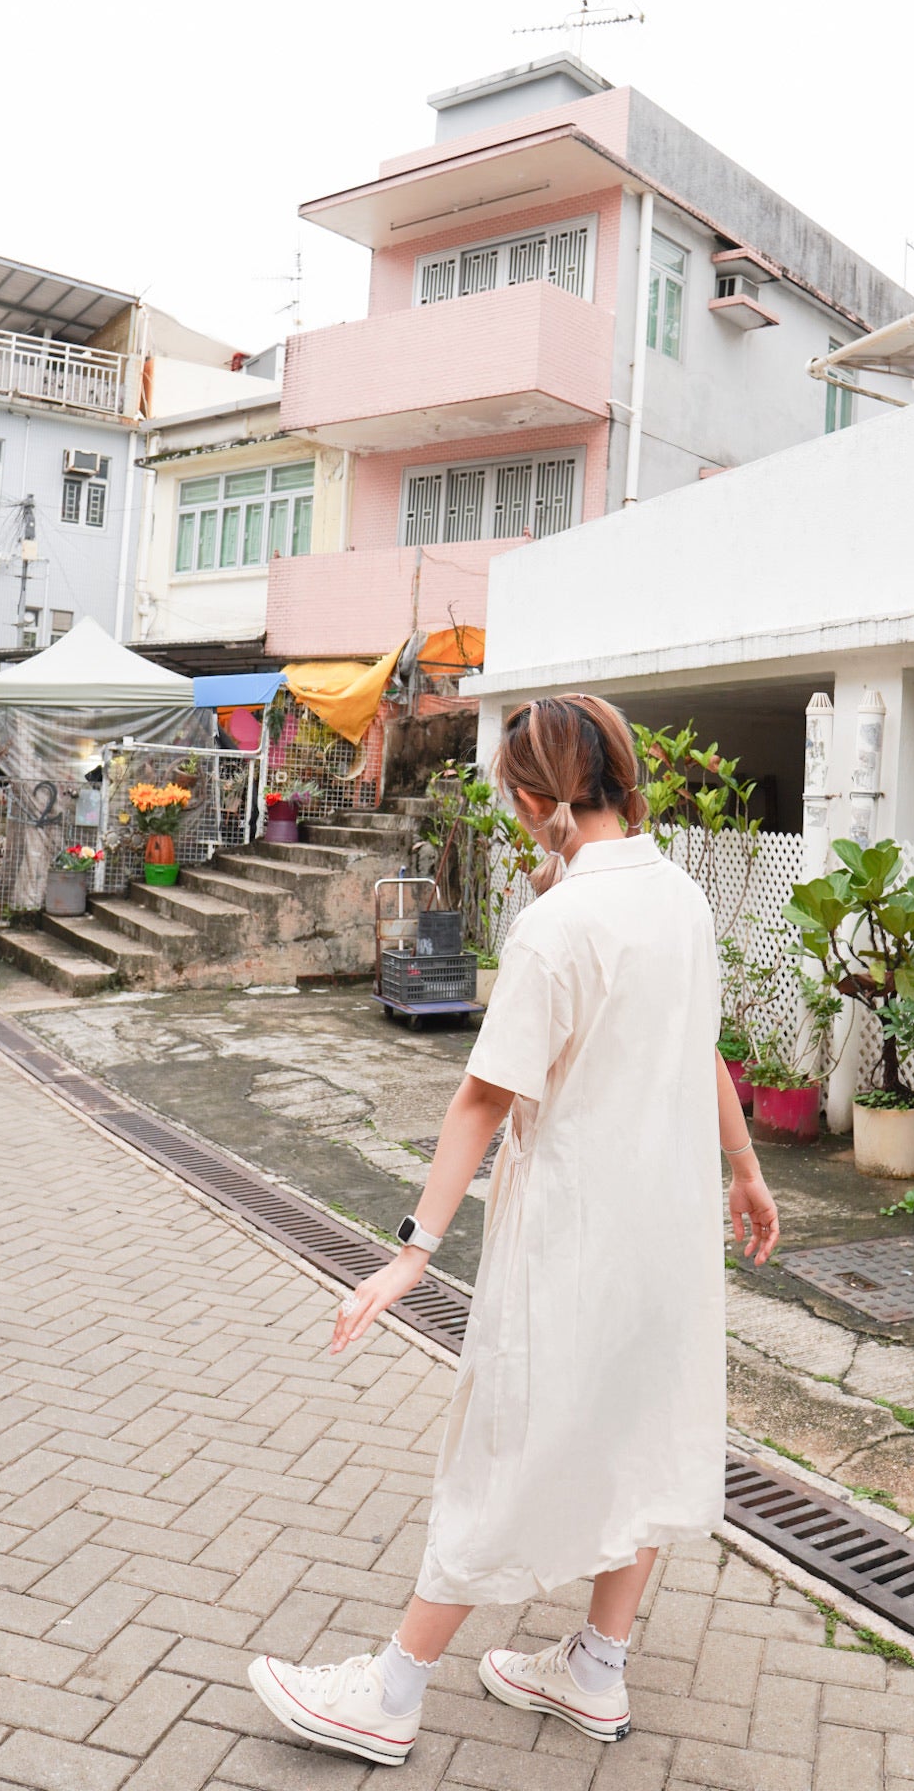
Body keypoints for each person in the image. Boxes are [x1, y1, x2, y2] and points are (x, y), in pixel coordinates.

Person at [248, 696, 779, 1766]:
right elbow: (701, 1049)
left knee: (501, 1442)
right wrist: (748, 1168)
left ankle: (391, 1691)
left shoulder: (556, 925)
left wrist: (411, 1252)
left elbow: (483, 1100)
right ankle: (595, 1663)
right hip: (669, 1233)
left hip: (575, 1233)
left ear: (541, 803)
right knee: (638, 1430)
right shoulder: (679, 898)